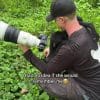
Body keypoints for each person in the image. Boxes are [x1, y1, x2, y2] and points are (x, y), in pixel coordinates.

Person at [19, 0, 100, 99]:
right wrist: (53, 49)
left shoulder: (71, 47)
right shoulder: (86, 28)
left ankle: (84, 96)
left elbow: (48, 71)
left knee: (42, 78)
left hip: (91, 91)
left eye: (55, 20)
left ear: (61, 19)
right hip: (94, 77)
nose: (55, 22)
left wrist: (27, 52)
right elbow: (71, 47)